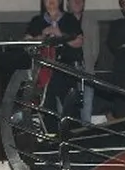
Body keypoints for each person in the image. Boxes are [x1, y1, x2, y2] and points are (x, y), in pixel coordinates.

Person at [25, 0, 84, 133]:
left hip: (65, 69)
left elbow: (79, 41)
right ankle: (50, 138)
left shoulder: (69, 19)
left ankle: (75, 137)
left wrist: (60, 34)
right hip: (44, 71)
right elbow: (26, 42)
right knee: (47, 107)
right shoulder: (37, 21)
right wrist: (41, 37)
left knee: (71, 108)